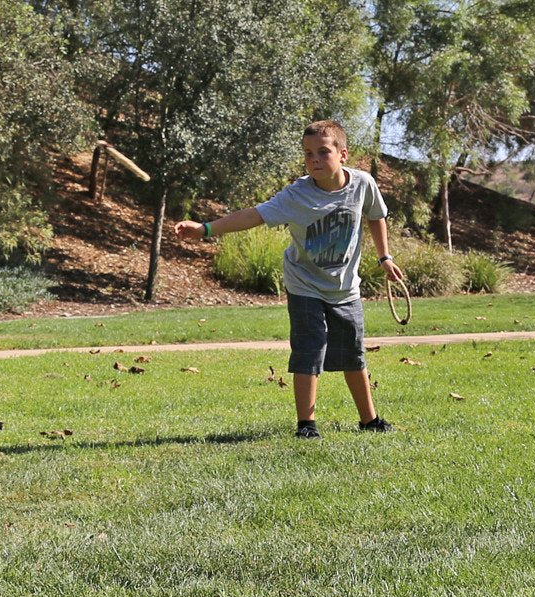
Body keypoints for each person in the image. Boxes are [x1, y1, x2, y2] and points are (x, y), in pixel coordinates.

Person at [174, 120, 406, 439]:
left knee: (353, 353)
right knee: (309, 351)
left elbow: (376, 215)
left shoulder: (363, 184)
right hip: (304, 285)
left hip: (345, 288)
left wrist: (385, 257)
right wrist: (206, 229)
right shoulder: (296, 195)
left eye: (323, 152)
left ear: (343, 154)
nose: (314, 159)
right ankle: (306, 425)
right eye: (308, 153)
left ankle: (369, 420)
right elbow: (253, 215)